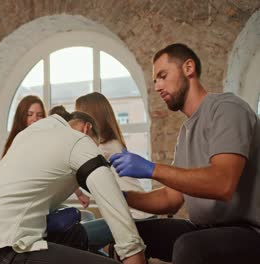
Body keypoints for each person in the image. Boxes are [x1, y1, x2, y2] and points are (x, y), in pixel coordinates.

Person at [109, 43, 260, 264]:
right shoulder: (186, 131)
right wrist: (121, 198)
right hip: (204, 228)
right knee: (129, 235)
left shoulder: (227, 109)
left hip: (249, 232)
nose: (158, 86)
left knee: (190, 246)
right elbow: (171, 199)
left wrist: (152, 170)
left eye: (163, 76)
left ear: (188, 68)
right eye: (155, 81)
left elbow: (222, 183)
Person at [0, 112, 146, 264]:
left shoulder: (29, 136)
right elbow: (115, 209)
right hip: (3, 250)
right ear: (86, 129)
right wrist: (133, 253)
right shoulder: (79, 140)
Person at [75, 92, 154, 251]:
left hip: (136, 218)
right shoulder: (110, 144)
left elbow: (73, 172)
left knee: (75, 238)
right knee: (85, 240)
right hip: (139, 215)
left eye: (76, 116)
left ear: (88, 120)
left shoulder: (103, 149)